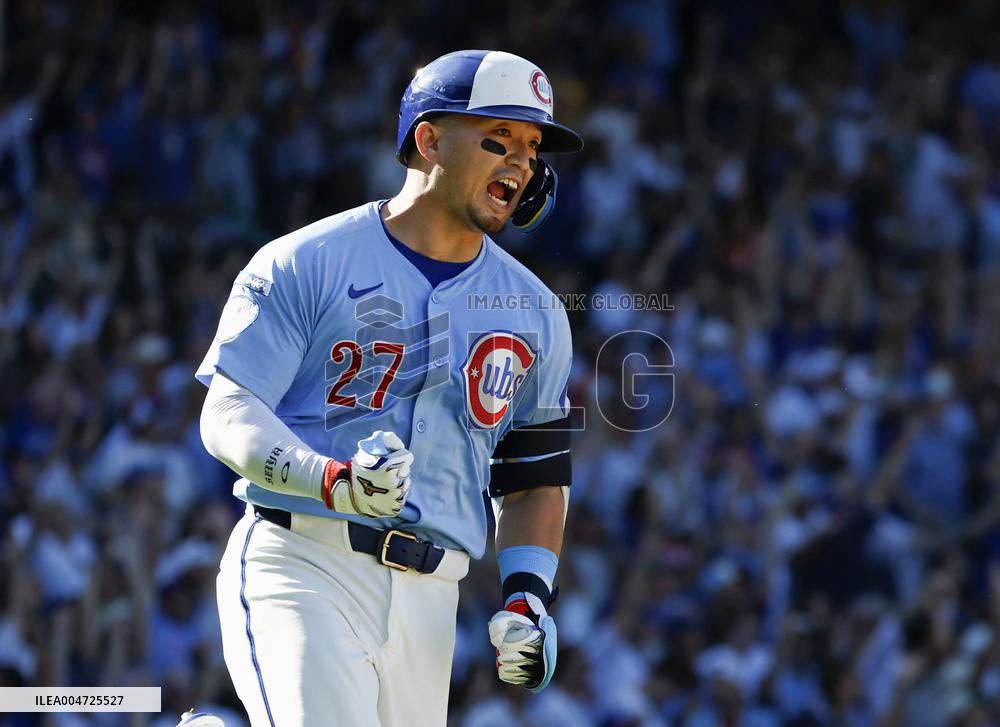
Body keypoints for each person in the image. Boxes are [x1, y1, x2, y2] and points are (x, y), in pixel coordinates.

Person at [196, 50, 582, 727]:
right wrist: (333, 478)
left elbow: (531, 479)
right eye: (499, 138)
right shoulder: (304, 260)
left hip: (433, 602)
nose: (522, 163)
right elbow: (228, 413)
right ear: (429, 140)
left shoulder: (538, 312)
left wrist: (528, 595)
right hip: (304, 558)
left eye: (532, 145)